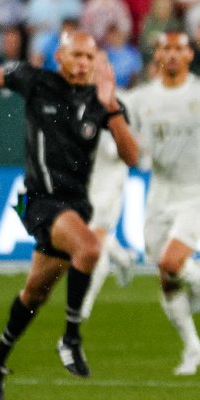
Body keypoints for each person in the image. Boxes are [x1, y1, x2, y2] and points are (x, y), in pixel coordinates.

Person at [0, 28, 140, 400]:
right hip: (36, 200)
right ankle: (70, 338)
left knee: (36, 291)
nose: (84, 64)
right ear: (60, 58)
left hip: (73, 206)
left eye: (90, 57)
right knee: (89, 248)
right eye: (77, 56)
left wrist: (112, 104)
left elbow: (133, 157)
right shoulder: (37, 81)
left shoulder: (101, 101)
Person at [121, 30, 200, 375]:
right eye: (165, 49)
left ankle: (195, 277)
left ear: (189, 55)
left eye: (178, 48)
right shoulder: (139, 100)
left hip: (199, 192)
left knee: (172, 262)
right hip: (160, 192)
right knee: (165, 275)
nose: (171, 54)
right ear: (156, 56)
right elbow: (132, 145)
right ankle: (193, 347)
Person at [79, 91, 139, 320]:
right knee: (93, 237)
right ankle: (124, 259)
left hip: (110, 188)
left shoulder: (118, 109)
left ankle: (85, 303)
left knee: (95, 241)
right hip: (89, 187)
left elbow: (124, 151)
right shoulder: (85, 108)